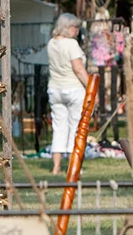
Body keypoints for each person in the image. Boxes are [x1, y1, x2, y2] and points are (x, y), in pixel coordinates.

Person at [47, 13, 90, 175]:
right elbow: (79, 69)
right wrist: (91, 89)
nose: (77, 31)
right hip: (73, 89)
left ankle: (56, 167)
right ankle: (74, 167)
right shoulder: (71, 44)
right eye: (75, 27)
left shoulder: (51, 43)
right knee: (75, 128)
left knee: (58, 128)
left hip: (55, 89)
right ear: (66, 27)